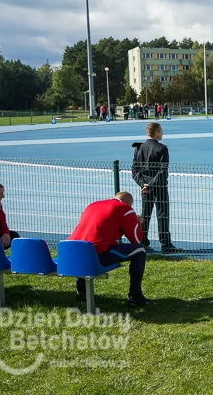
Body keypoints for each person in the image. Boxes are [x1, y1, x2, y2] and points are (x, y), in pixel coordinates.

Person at [68, 192, 149, 307]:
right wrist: (137, 222)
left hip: (70, 251)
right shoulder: (125, 209)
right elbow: (136, 239)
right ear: (129, 204)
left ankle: (82, 292)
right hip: (95, 255)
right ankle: (135, 297)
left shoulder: (93, 205)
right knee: (140, 251)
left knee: (86, 248)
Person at [132, 122, 181, 254]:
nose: (162, 134)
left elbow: (134, 171)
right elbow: (162, 171)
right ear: (156, 133)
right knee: (163, 215)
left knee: (145, 215)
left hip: (145, 188)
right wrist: (151, 185)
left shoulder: (139, 148)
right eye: (161, 131)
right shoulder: (162, 149)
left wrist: (143, 185)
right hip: (159, 186)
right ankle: (166, 244)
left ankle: (142, 242)